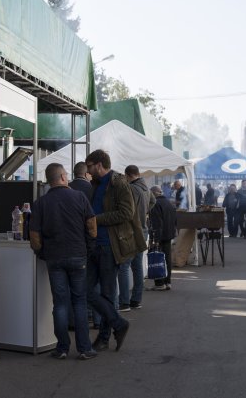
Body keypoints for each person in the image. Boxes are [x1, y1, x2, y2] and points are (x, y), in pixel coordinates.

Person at [29, 163, 97, 360]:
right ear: (62, 177)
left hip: (54, 257)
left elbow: (34, 234)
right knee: (79, 302)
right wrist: (89, 248)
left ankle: (62, 348)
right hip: (78, 255)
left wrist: (41, 252)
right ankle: (84, 348)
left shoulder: (41, 203)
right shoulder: (79, 197)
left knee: (59, 303)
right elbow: (92, 225)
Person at [85, 149, 144, 352]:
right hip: (96, 245)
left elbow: (127, 213)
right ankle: (118, 324)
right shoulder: (96, 184)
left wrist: (96, 219)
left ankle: (103, 337)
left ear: (99, 165)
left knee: (107, 293)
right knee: (86, 290)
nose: (88, 171)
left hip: (111, 246)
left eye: (90, 166)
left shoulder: (118, 183)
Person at [118, 165, 156, 311]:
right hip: (143, 230)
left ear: (128, 175)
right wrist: (145, 211)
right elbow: (154, 201)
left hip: (132, 231)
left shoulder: (131, 189)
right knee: (137, 266)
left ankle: (124, 302)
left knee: (124, 266)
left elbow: (127, 211)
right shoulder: (146, 187)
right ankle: (136, 300)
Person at [149, 185, 177, 289]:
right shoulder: (168, 202)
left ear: (154, 193)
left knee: (158, 259)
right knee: (167, 259)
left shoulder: (156, 204)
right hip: (169, 234)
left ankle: (160, 283)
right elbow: (175, 220)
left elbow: (157, 223)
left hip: (160, 236)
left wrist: (155, 239)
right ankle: (168, 282)